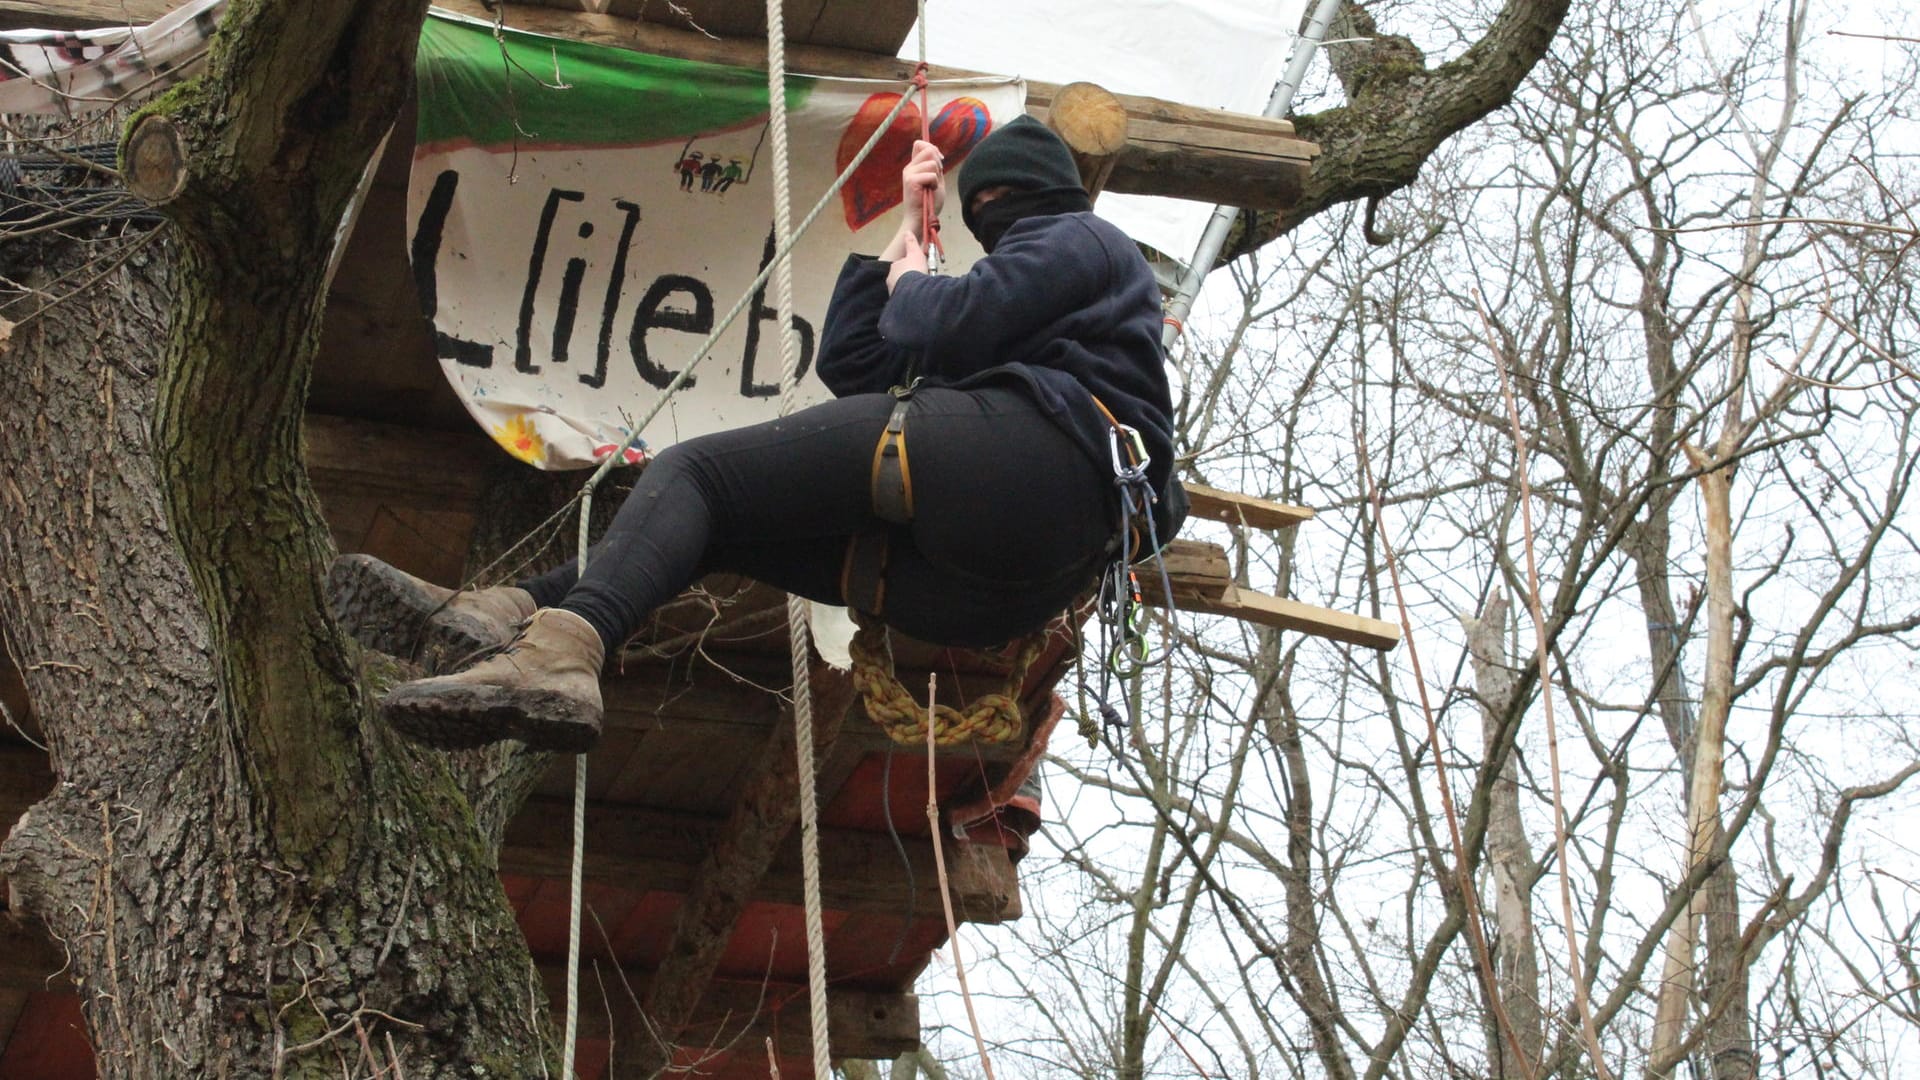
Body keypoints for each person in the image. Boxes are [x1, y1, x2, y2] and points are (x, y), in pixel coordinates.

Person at [343, 115, 1185, 753]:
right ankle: (513, 615)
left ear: (1021, 197)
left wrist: (915, 279)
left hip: (1035, 461)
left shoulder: (1083, 240)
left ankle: (556, 649)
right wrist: (899, 238)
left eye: (991, 203)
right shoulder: (1033, 318)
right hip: (987, 584)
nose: (989, 218)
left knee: (699, 476)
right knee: (714, 526)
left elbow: (950, 318)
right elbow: (858, 367)